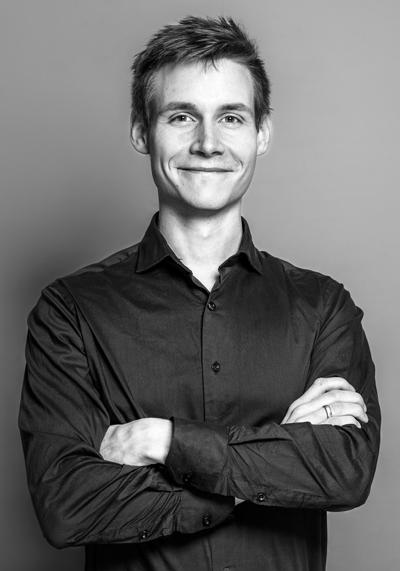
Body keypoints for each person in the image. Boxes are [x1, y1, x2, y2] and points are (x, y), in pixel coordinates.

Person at [19, 15, 380, 571]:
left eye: (231, 117)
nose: (208, 143)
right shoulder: (71, 311)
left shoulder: (323, 308)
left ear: (261, 133)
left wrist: (165, 441)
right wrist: (273, 458)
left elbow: (343, 470)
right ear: (142, 131)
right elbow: (68, 506)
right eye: (182, 116)